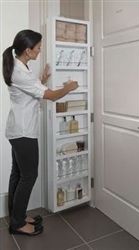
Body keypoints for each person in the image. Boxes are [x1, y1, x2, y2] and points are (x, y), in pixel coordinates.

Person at [2, 29, 78, 236]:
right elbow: (51, 96)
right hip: (24, 132)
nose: (40, 50)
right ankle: (17, 224)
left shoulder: (20, 66)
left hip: (18, 129)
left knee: (18, 174)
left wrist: (42, 79)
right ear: (27, 50)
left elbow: (31, 91)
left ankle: (16, 215)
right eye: (38, 47)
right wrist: (69, 88)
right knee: (29, 175)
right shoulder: (20, 71)